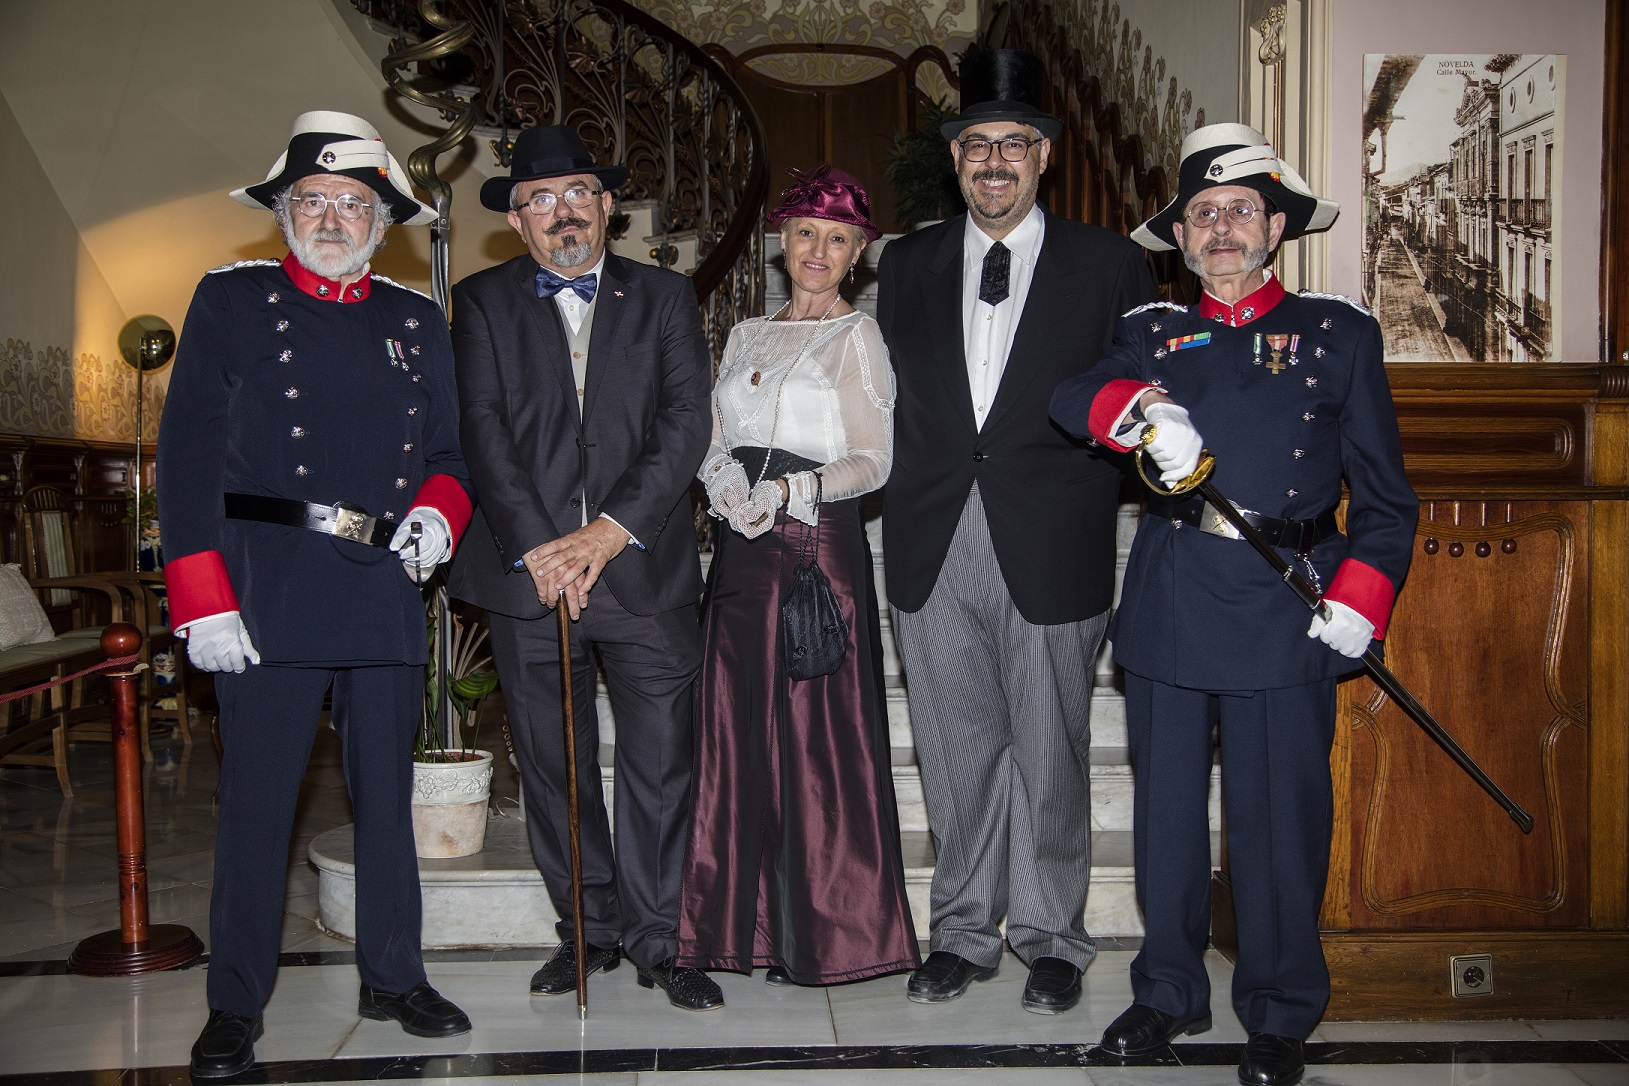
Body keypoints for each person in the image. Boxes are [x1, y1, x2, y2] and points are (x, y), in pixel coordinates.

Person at [1050, 123, 1418, 1086]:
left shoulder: (1338, 333)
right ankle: (1167, 992)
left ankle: (1280, 1009)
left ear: (1274, 228)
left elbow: (1386, 500)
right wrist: (1143, 410)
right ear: (1179, 238)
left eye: (1239, 210)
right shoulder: (1149, 333)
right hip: (1174, 597)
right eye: (1202, 214)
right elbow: (1070, 396)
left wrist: (1361, 597)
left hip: (1287, 604)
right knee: (1166, 821)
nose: (1220, 228)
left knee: (1278, 822)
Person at [159, 111, 475, 1078]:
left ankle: (394, 975)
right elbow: (187, 455)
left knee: (387, 802)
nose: (332, 217)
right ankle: (234, 1002)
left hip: (382, 585)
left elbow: (449, 453)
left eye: (353, 203)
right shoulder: (231, 299)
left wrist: (438, 516)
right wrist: (201, 595)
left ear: (382, 223)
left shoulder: (415, 319)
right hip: (267, 587)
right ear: (282, 212)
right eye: (313, 200)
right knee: (257, 809)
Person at [874, 49, 1155, 1014]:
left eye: (1013, 145)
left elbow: (1135, 397)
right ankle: (961, 932)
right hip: (931, 535)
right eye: (975, 145)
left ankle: (1050, 938)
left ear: (1043, 156)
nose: (993, 161)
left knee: (1049, 748)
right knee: (955, 751)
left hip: (1052, 536)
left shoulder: (1109, 263)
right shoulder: (905, 263)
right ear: (956, 159)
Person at [445, 125, 722, 1010]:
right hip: (527, 580)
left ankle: (659, 938)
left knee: (661, 766)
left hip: (641, 573)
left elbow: (685, 422)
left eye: (576, 195)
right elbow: (481, 429)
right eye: (539, 200)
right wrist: (542, 546)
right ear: (516, 220)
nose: (560, 213)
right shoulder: (479, 301)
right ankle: (587, 931)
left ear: (607, 206)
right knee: (553, 766)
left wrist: (605, 534)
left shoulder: (666, 295)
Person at [676, 166, 918, 986]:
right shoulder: (746, 334)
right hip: (741, 549)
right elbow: (714, 434)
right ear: (783, 241)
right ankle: (738, 933)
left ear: (857, 254)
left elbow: (874, 461)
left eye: (838, 239)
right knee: (735, 733)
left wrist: (789, 491)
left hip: (817, 551)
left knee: (818, 745)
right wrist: (721, 480)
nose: (819, 250)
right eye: (807, 233)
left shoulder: (857, 337)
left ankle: (829, 935)